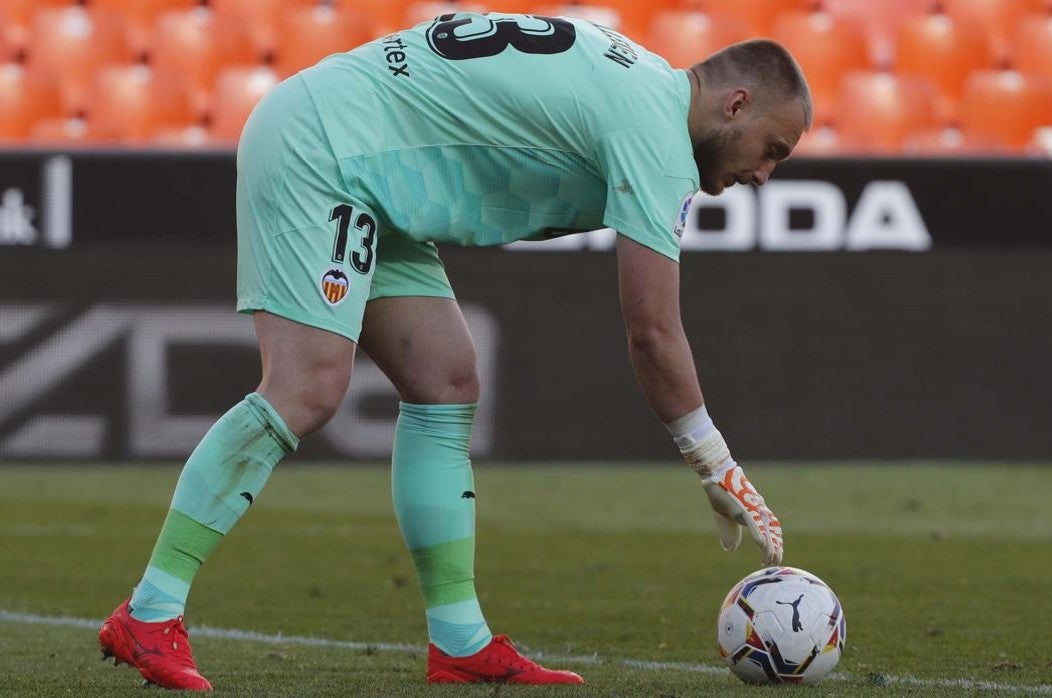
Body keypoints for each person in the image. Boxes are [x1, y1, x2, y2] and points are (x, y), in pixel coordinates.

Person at [98, 12, 809, 691]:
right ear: (735, 105)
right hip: (329, 147)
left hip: (373, 162)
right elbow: (651, 330)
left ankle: (461, 643)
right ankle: (150, 611)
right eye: (771, 149)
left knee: (446, 378)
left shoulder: (643, 86)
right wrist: (713, 463)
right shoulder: (656, 133)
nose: (762, 174)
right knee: (307, 386)